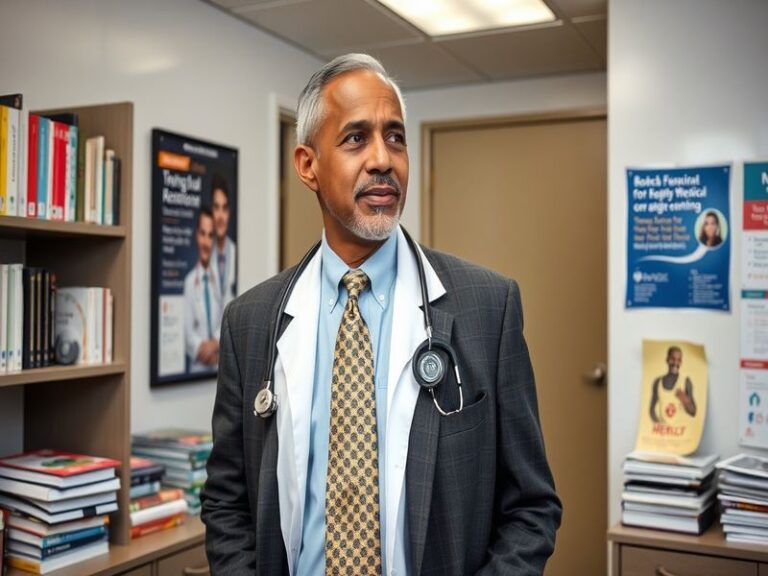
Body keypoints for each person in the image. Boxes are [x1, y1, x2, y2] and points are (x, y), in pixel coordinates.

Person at [201, 54, 561, 575]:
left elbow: (531, 508)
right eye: (355, 139)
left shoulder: (488, 306)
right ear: (308, 165)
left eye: (395, 137)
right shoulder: (250, 321)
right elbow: (226, 502)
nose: (382, 159)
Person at [183, 206, 221, 373]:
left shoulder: (221, 281)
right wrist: (209, 352)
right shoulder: (190, 282)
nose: (206, 242)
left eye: (210, 235)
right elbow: (188, 335)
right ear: (197, 236)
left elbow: (227, 324)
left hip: (219, 369)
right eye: (202, 234)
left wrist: (216, 343)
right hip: (198, 368)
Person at [649, 346, 696, 423]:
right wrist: (658, 424)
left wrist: (685, 400)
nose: (675, 363)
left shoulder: (686, 381)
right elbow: (652, 410)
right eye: (672, 359)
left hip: (681, 431)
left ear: (681, 362)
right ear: (667, 360)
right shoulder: (658, 382)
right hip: (665, 432)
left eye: (678, 360)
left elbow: (693, 412)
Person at [210, 174, 237, 311]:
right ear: (211, 211)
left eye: (224, 208)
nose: (220, 216)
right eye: (216, 207)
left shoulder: (235, 253)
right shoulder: (203, 256)